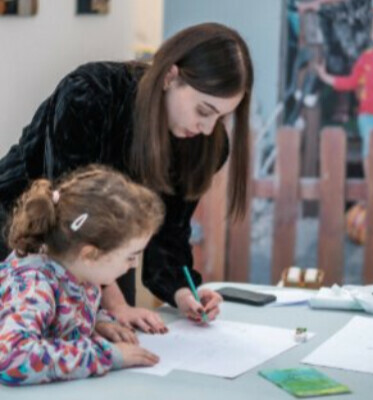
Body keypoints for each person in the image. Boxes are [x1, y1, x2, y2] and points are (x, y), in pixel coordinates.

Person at [0, 23, 254, 327]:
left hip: (107, 260)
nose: (208, 128)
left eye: (221, 117)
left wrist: (183, 291)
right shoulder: (91, 94)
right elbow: (70, 217)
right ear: (170, 77)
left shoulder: (203, 143)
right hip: (23, 241)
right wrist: (115, 304)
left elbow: (169, 233)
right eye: (204, 110)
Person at [0, 165, 166, 385]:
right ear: (90, 254)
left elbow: (66, 313)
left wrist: (98, 321)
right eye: (130, 256)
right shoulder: (34, 286)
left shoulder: (81, 273)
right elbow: (12, 359)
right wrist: (106, 355)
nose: (133, 264)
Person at [315, 10, 373, 169]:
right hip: (369, 115)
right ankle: (369, 185)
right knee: (371, 145)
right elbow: (351, 81)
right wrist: (326, 77)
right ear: (372, 35)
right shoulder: (366, 58)